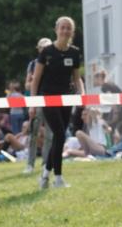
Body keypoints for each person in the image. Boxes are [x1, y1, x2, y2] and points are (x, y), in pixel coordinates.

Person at [30, 17, 84, 189]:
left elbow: (77, 78)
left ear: (72, 32)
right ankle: (58, 178)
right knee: (60, 134)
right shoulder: (46, 51)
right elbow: (35, 80)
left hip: (67, 99)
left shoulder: (74, 52)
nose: (65, 31)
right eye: (62, 27)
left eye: (68, 28)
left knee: (59, 138)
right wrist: (32, 104)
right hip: (48, 98)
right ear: (56, 30)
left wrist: (82, 95)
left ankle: (45, 175)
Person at [24, 38, 53, 175]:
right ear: (38, 49)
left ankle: (45, 164)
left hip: (51, 101)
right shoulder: (33, 64)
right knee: (33, 133)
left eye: (47, 47)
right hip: (37, 100)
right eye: (42, 47)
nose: (45, 50)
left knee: (49, 134)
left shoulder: (55, 63)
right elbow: (27, 85)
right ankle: (30, 164)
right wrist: (36, 80)